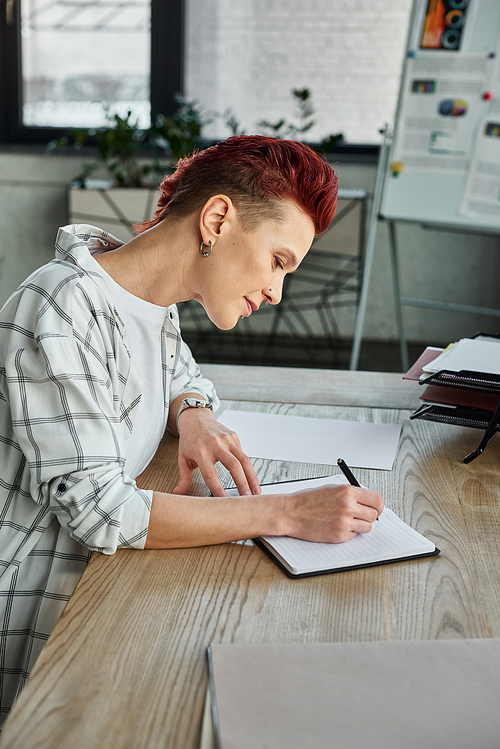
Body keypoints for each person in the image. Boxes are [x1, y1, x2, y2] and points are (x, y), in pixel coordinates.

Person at [0, 135, 383, 723]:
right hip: (36, 618)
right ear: (218, 218)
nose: (278, 291)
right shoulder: (58, 308)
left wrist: (194, 414)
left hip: (107, 584)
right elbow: (102, 511)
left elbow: (182, 370)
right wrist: (287, 514)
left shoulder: (153, 299)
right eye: (278, 261)